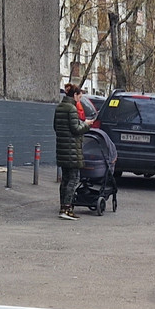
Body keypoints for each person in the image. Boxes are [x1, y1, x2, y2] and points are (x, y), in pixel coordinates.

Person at [53, 81, 87, 220]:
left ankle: (63, 207)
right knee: (73, 178)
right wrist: (86, 125)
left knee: (65, 179)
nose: (80, 100)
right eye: (80, 97)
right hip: (72, 149)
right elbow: (76, 129)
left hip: (62, 148)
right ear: (75, 95)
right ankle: (67, 208)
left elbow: (56, 127)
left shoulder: (59, 107)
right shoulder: (72, 109)